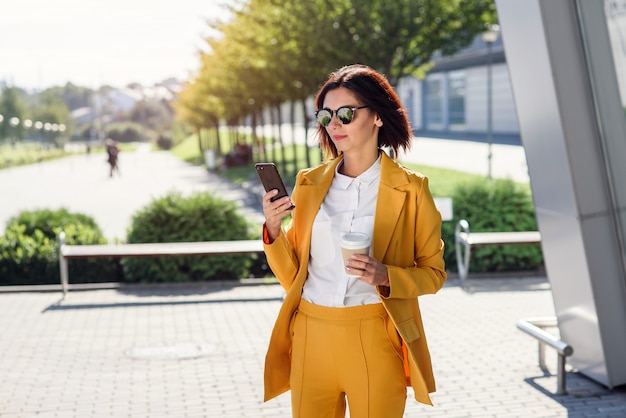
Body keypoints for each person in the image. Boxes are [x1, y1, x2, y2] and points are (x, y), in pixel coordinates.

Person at [261, 64, 447, 418]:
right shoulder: (309, 182)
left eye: (346, 113)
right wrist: (272, 230)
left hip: (374, 335)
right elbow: (293, 277)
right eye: (326, 115)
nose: (334, 124)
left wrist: (386, 275)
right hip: (310, 336)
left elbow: (434, 274)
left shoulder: (412, 189)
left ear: (377, 116)